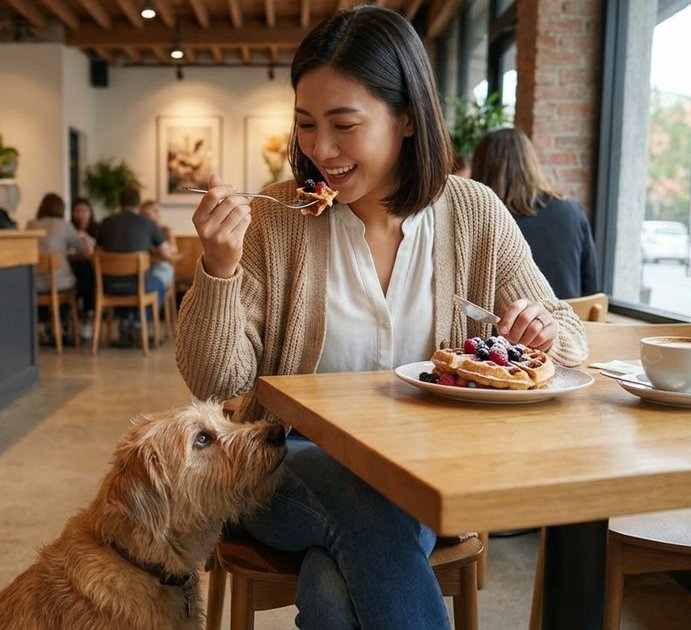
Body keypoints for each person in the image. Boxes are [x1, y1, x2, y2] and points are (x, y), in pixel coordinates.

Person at [176, 6, 587, 629]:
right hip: (282, 465)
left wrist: (543, 331)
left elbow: (570, 334)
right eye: (307, 125)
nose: (320, 150)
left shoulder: (473, 212)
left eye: (344, 125)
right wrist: (219, 269)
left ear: (408, 119)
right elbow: (216, 381)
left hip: (424, 468)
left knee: (333, 594)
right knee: (371, 507)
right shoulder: (279, 220)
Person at [472, 128, 598, 299]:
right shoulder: (571, 211)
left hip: (509, 325)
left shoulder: (481, 221)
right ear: (531, 163)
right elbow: (592, 289)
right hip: (569, 322)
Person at [27, 193, 93, 343]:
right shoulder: (63, 225)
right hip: (57, 284)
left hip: (33, 283)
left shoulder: (30, 225)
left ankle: (43, 325)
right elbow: (83, 250)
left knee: (46, 282)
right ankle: (62, 326)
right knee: (73, 281)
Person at [96, 186, 174, 311]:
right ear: (138, 204)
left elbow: (97, 252)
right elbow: (168, 254)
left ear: (119, 203)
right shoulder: (148, 223)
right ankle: (143, 319)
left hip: (109, 285)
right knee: (166, 271)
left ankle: (128, 319)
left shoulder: (105, 223)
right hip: (139, 286)